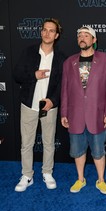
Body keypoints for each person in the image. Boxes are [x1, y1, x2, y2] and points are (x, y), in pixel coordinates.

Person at [61, 25, 106, 195]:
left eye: (86, 35)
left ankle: (101, 181)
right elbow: (65, 90)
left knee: (99, 152)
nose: (82, 38)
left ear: (94, 40)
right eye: (79, 35)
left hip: (97, 115)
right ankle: (80, 179)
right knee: (77, 151)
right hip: (75, 115)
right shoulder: (69, 62)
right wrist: (63, 113)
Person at [14, 18, 65, 192]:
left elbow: (62, 85)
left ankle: (47, 172)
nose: (47, 33)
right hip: (29, 105)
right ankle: (27, 175)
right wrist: (34, 75)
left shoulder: (61, 58)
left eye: (51, 31)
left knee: (49, 142)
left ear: (56, 35)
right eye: (45, 29)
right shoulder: (29, 52)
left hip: (49, 106)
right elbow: (17, 75)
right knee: (26, 143)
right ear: (41, 31)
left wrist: (53, 100)